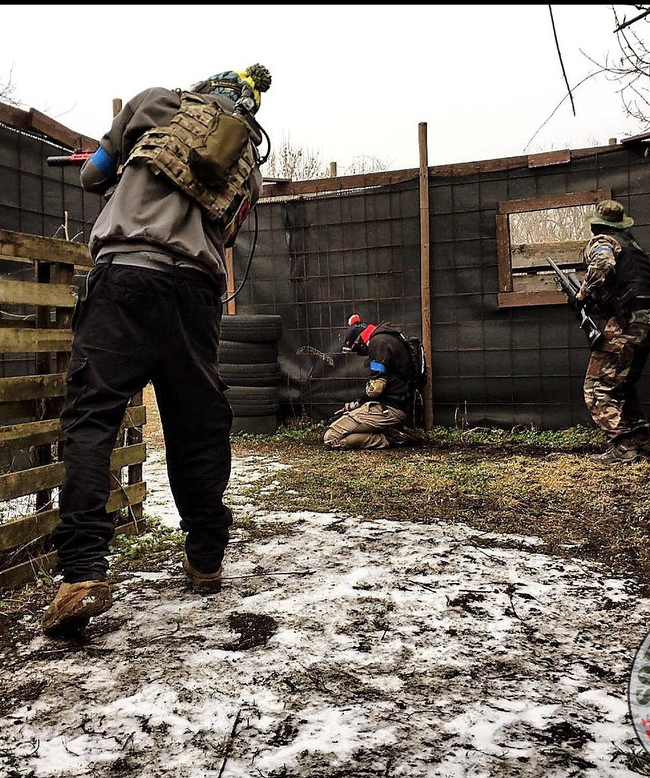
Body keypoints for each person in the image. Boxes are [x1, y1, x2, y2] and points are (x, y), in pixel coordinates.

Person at [41, 64, 272, 636]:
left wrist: (116, 162)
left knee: (92, 419)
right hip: (195, 293)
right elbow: (224, 235)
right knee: (197, 423)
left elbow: (91, 177)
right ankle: (205, 556)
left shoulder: (154, 103)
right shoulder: (249, 171)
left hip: (124, 279)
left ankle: (83, 571)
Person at [576, 199, 650, 463]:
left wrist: (584, 292)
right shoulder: (634, 247)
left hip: (630, 319)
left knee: (596, 387)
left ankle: (622, 445)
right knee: (624, 380)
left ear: (596, 224)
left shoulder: (603, 241)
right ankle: (641, 437)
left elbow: (603, 264)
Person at [323, 314, 416, 450]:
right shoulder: (387, 337)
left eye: (357, 348)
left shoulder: (378, 344)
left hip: (389, 409)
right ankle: (389, 432)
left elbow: (376, 388)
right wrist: (356, 406)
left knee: (331, 437)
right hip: (394, 405)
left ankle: (390, 439)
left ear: (359, 340)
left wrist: (358, 404)